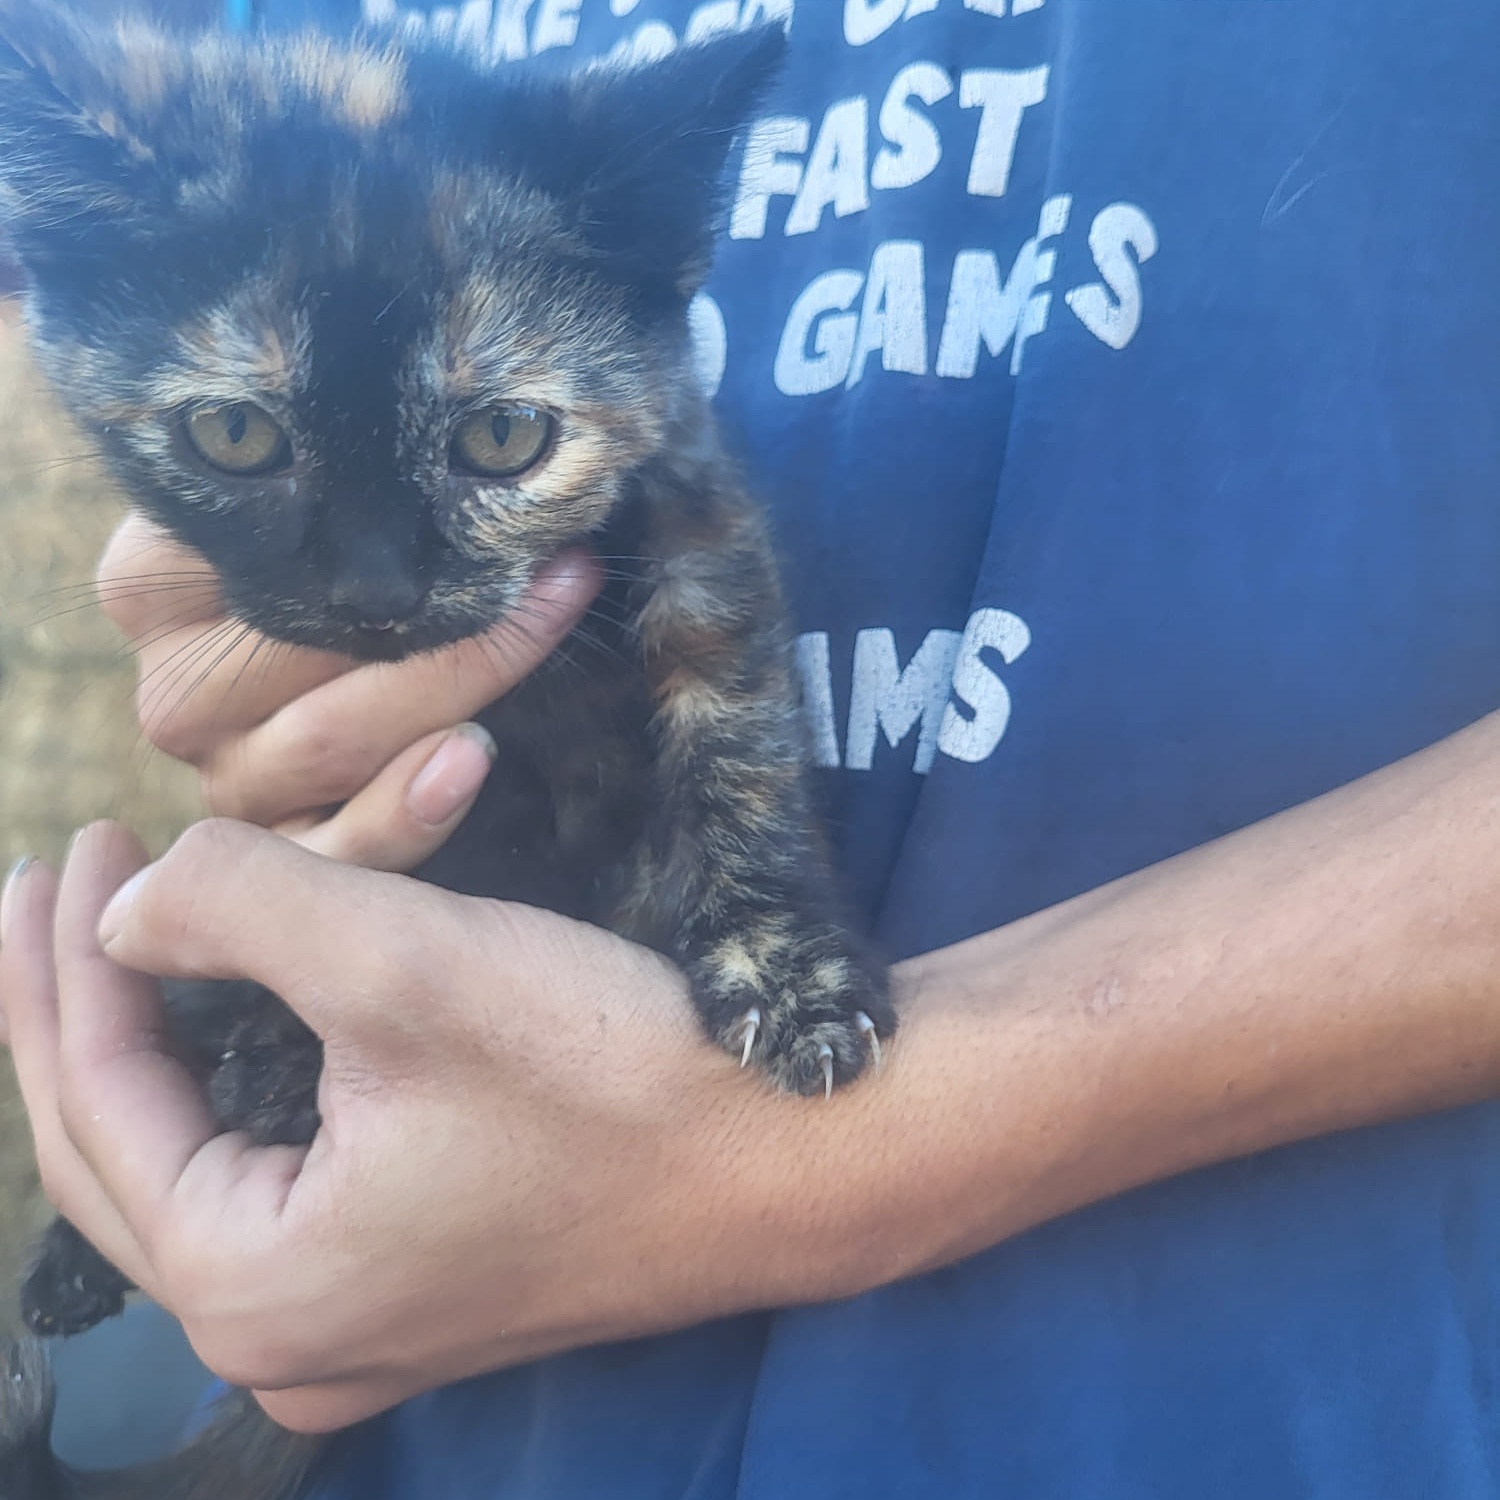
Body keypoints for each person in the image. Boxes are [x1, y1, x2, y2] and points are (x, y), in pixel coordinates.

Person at [7, 0, 1500, 1493]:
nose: (376, 588)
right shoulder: (245, 89)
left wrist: (825, 1167)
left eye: (501, 446)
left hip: (1214, 1386)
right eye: (237, 437)